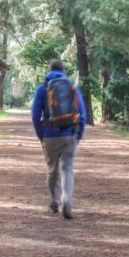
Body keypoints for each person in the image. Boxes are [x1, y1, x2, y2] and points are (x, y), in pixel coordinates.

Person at [31, 59, 88, 220]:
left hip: (49, 135)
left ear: (48, 71)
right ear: (63, 70)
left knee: (52, 170)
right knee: (67, 169)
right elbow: (82, 114)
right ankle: (67, 201)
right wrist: (78, 135)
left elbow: (35, 115)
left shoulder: (42, 88)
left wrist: (40, 135)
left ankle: (54, 202)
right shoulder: (72, 87)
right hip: (69, 134)